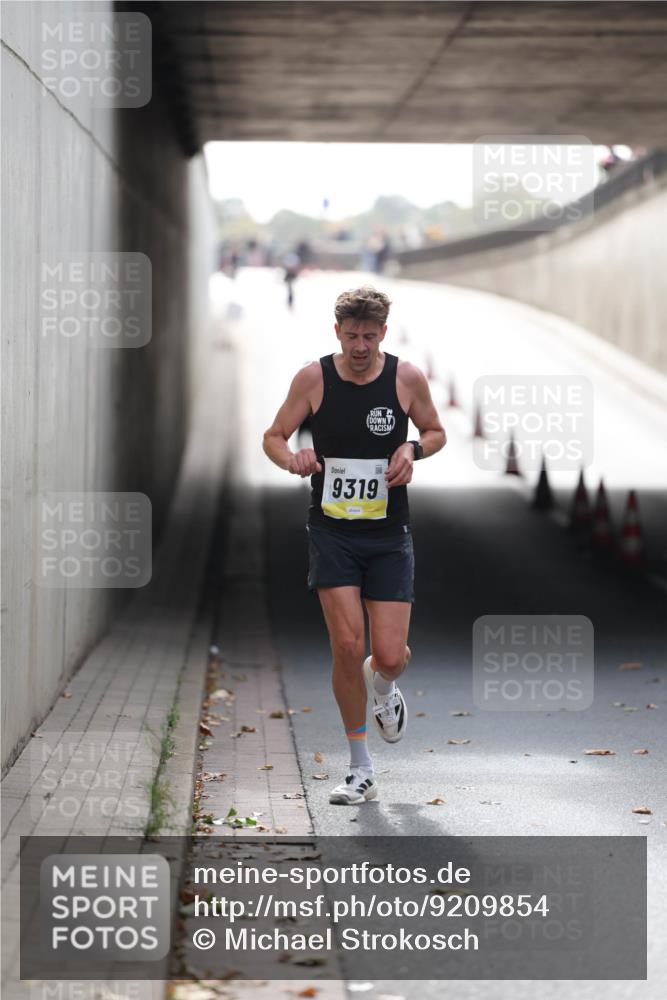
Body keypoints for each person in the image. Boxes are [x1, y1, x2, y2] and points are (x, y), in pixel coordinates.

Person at [263, 286, 446, 805]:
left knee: (387, 656)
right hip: (332, 529)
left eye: (369, 336)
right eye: (351, 336)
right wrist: (291, 459)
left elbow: (436, 431)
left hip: (389, 533)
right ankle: (359, 767)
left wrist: (413, 448)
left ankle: (384, 687)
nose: (360, 345)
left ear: (383, 333)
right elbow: (274, 436)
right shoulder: (314, 378)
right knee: (347, 647)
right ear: (336, 332)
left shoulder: (405, 378)